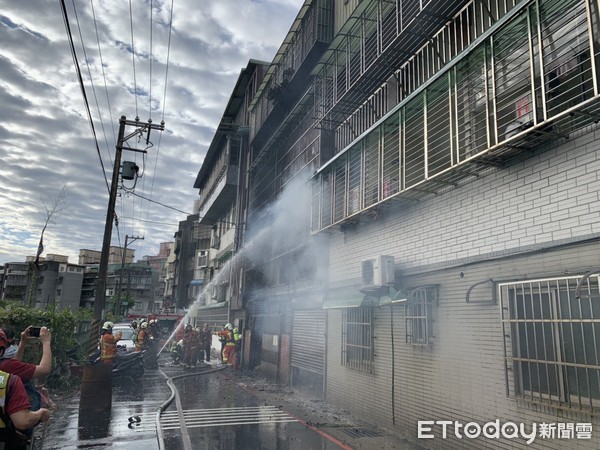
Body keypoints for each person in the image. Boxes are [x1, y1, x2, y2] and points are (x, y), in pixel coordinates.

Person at [0, 329, 51, 449]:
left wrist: (23, 343)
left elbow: (14, 365)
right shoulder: (10, 380)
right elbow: (23, 421)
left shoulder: (8, 367)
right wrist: (46, 342)